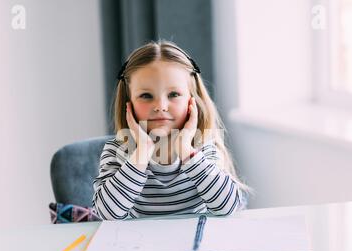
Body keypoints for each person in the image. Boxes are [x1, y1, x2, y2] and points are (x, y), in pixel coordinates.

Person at [92, 40, 252, 220]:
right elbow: (106, 214)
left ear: (192, 101)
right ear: (128, 104)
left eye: (173, 95)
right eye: (146, 96)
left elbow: (228, 206)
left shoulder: (203, 147)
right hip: (143, 245)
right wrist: (142, 151)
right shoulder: (117, 150)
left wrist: (185, 149)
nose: (160, 106)